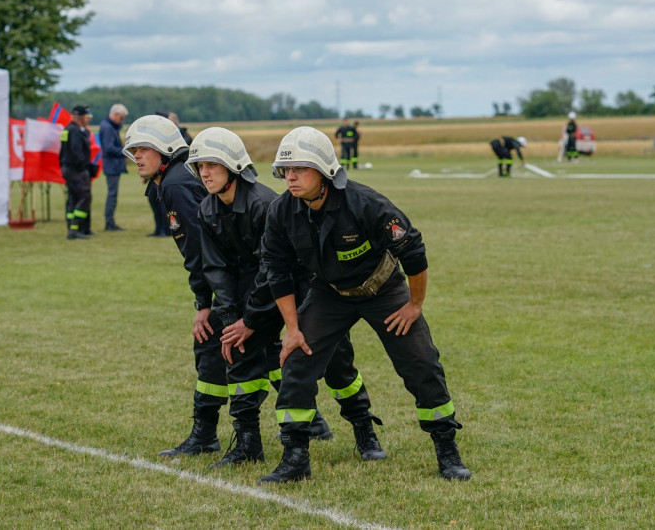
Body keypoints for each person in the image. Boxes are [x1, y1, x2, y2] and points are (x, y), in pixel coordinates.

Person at [257, 126, 470, 484]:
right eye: (285, 170)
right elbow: (276, 271)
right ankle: (295, 459)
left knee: (421, 362)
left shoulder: (365, 203)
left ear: (324, 171)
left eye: (300, 169)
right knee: (296, 360)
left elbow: (413, 251)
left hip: (384, 290)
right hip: (329, 294)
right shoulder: (280, 212)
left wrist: (414, 305)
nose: (290, 177)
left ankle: (447, 449)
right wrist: (292, 329)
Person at [185, 128, 384, 468]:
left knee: (336, 361)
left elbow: (274, 269)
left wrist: (251, 319)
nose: (204, 173)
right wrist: (232, 319)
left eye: (212, 165)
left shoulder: (263, 205)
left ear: (233, 167)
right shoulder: (206, 208)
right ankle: (248, 444)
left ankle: (364, 428)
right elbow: (216, 267)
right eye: (200, 166)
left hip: (297, 286)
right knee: (239, 351)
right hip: (255, 290)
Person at [122, 115, 227, 456]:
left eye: (144, 148)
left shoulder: (174, 184)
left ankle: (205, 437)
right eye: (134, 150)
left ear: (165, 149)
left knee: (210, 346)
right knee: (258, 349)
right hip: (235, 276)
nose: (137, 156)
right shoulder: (174, 178)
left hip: (230, 279)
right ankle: (314, 422)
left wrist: (204, 303)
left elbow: (198, 250)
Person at [59, 105, 95, 240]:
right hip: (76, 169)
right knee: (84, 197)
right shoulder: (75, 131)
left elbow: (62, 152)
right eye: (87, 116)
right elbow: (76, 152)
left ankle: (73, 228)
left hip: (68, 168)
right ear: (81, 117)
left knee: (73, 197)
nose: (88, 119)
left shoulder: (68, 129)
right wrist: (82, 169)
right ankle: (76, 228)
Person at [98, 103, 128, 231]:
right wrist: (125, 151)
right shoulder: (108, 128)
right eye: (121, 118)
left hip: (113, 165)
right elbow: (109, 148)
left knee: (113, 194)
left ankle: (110, 222)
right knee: (112, 195)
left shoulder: (110, 126)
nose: (122, 121)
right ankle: (109, 223)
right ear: (115, 115)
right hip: (112, 166)